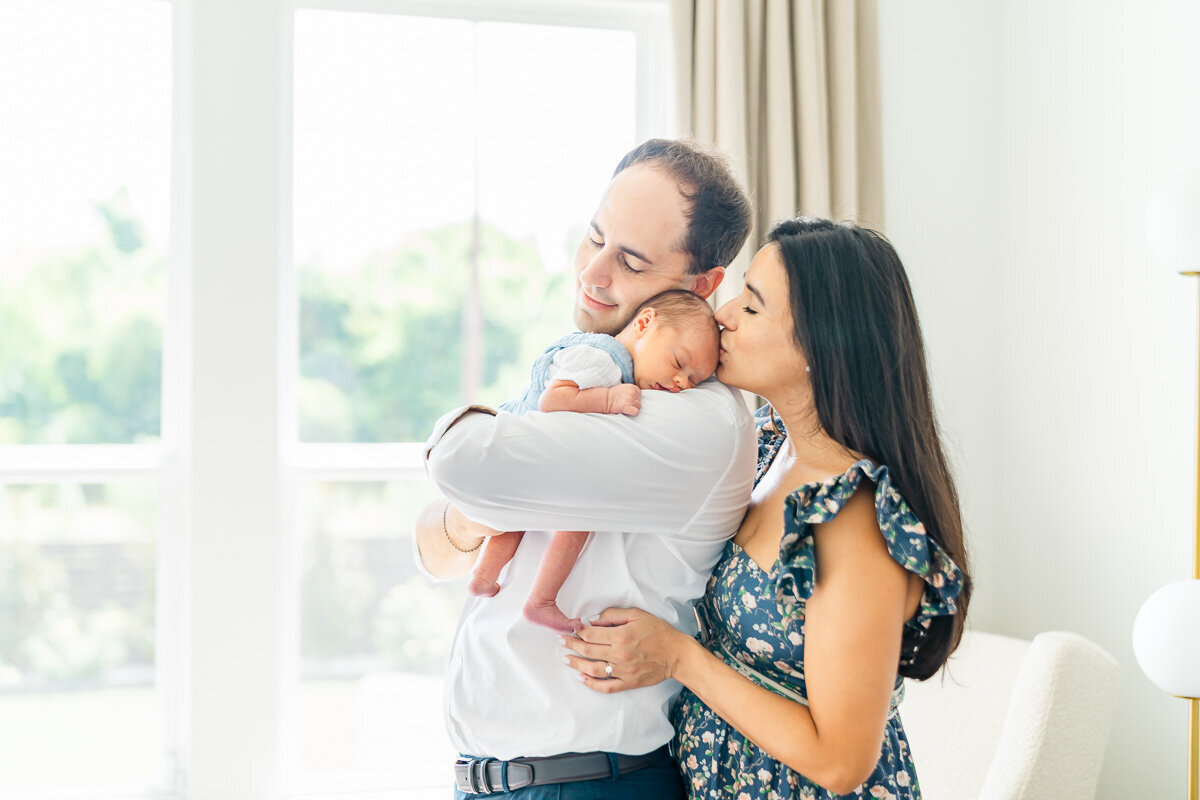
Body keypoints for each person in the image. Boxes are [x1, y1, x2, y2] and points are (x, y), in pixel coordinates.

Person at [560, 217, 973, 799]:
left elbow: (841, 762)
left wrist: (678, 657)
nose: (722, 316)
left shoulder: (850, 519)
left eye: (751, 308)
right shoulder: (767, 445)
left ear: (820, 346)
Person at [414, 138, 756, 798]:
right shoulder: (593, 370)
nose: (593, 273)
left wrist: (484, 454)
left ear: (704, 285)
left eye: (629, 260)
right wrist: (488, 502)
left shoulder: (687, 416)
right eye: (593, 238)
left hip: (585, 782)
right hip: (504, 780)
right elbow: (432, 547)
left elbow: (458, 462)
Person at [469, 290, 721, 636]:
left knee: (516, 517)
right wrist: (608, 399)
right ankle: (540, 601)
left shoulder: (613, 361)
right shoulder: (606, 361)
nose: (680, 383)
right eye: (678, 363)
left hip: (523, 451)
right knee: (577, 522)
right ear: (645, 323)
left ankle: (483, 578)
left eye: (693, 381)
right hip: (526, 442)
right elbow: (554, 400)